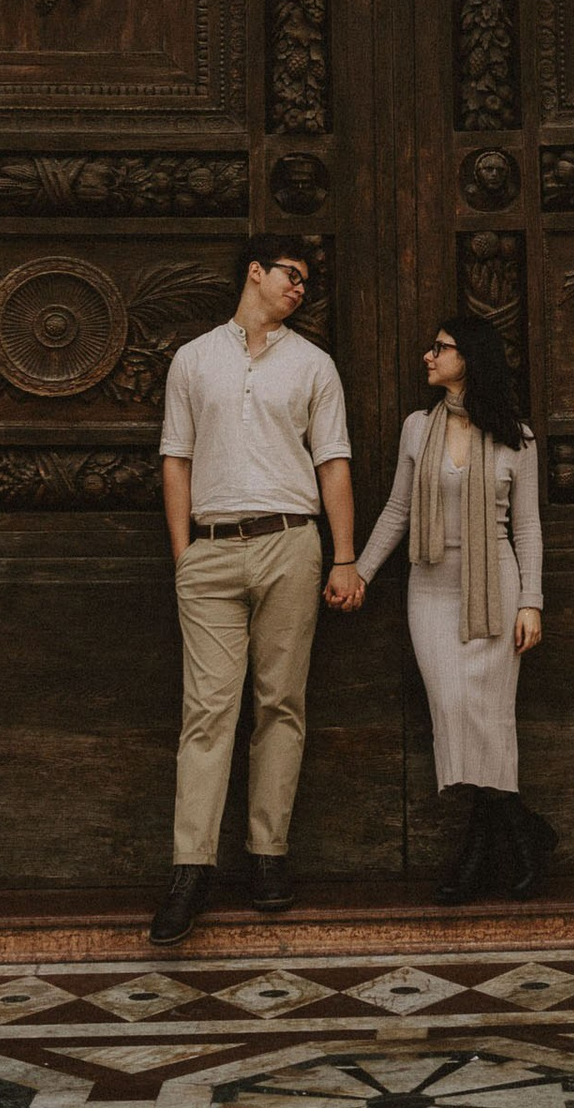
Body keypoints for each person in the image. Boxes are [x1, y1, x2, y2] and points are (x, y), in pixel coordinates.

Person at [151, 234, 359, 946]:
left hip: (290, 543)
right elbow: (175, 459)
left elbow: (332, 462)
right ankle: (190, 869)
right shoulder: (194, 359)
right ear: (255, 274)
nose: (299, 289)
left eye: (306, 283)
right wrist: (184, 555)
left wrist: (343, 556)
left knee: (281, 704)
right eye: (290, 276)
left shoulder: (314, 365)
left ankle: (268, 854)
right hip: (210, 551)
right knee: (206, 712)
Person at [349, 312, 553, 902]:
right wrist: (359, 573)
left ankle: (478, 852)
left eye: (440, 347)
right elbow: (397, 511)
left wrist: (532, 603)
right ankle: (522, 830)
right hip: (432, 592)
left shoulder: (518, 437)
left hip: (499, 591)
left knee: (488, 719)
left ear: (471, 359)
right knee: (455, 709)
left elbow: (529, 529)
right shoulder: (418, 427)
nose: (428, 357)